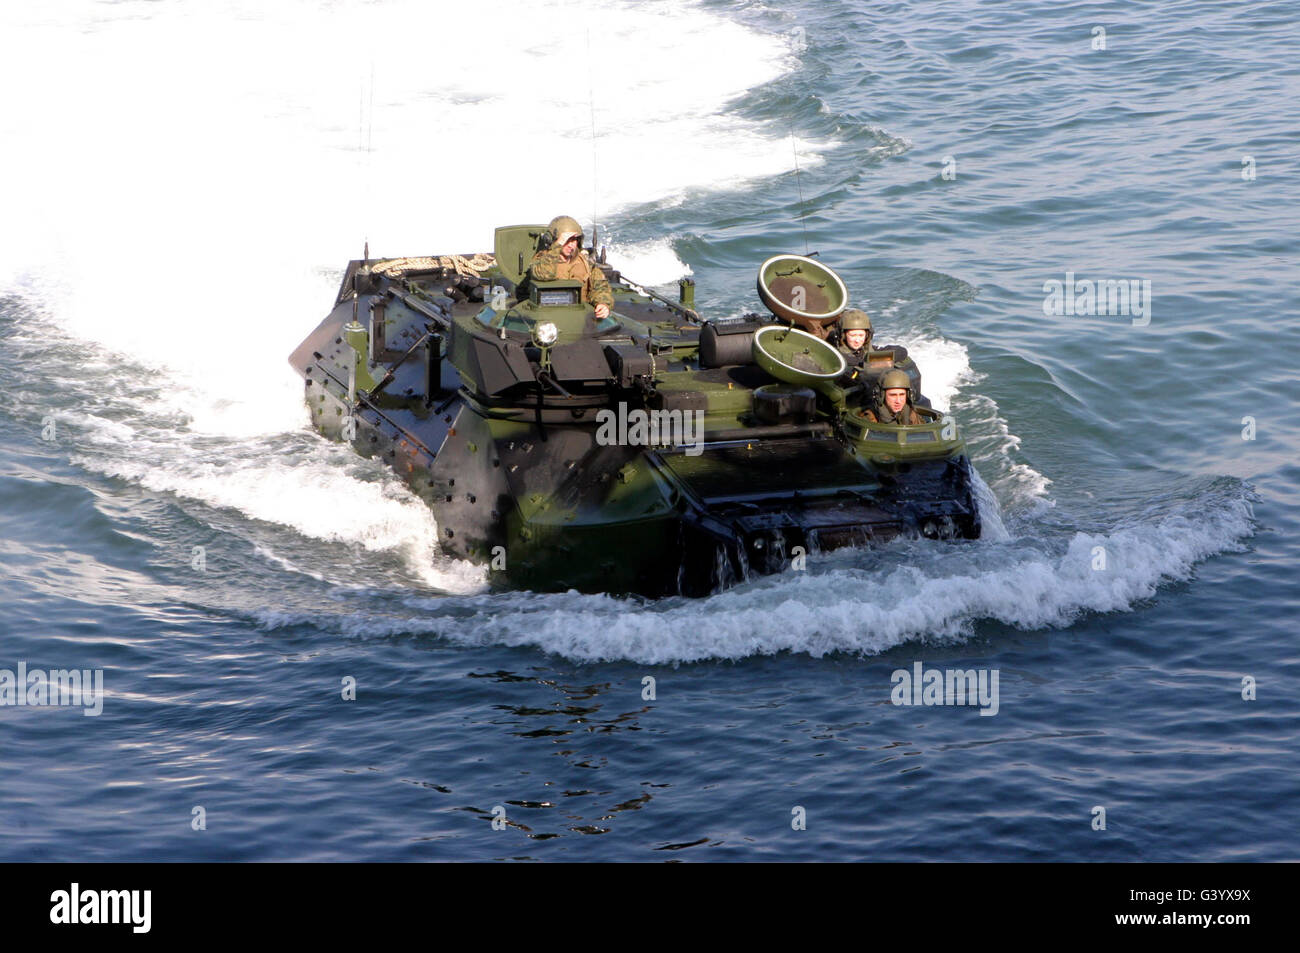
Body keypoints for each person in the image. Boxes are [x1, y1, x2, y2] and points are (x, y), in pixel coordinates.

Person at [528, 215, 614, 319]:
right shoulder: (542, 260)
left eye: (574, 240)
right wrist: (557, 246)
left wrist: (603, 303)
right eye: (566, 241)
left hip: (581, 316)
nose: (571, 245)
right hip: (549, 317)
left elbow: (600, 286)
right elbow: (544, 274)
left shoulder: (585, 262)